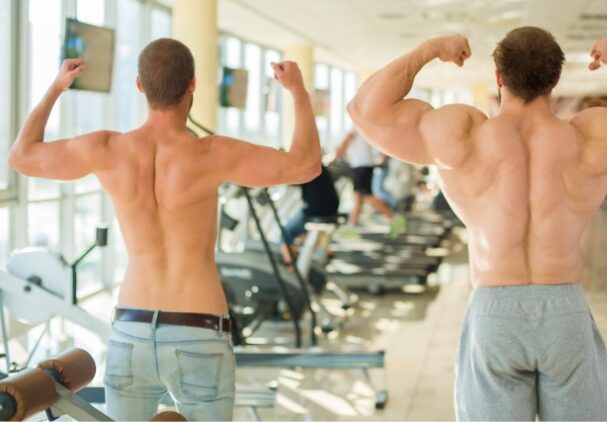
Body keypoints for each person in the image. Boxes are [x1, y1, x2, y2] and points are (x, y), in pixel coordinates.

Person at [348, 28, 607, 421]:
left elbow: (365, 110)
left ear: (499, 77)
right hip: (564, 314)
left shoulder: (461, 135)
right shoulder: (592, 137)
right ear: (555, 79)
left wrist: (428, 50)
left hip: (493, 312)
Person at [9, 38, 321, 421]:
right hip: (199, 331)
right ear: (192, 84)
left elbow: (21, 156)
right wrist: (297, 91)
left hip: (131, 330)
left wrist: (57, 87)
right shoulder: (211, 153)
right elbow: (306, 165)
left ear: (140, 86)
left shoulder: (108, 148)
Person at [279, 164, 339, 265]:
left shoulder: (304, 167)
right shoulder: (317, 165)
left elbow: (288, 179)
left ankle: (289, 264)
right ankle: (323, 249)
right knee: (299, 231)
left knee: (286, 232)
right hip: (331, 208)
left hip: (317, 210)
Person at [334, 130, 395, 226]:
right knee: (358, 196)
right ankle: (352, 225)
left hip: (362, 165)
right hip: (361, 165)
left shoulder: (353, 124)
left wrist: (335, 157)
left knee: (367, 195)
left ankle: (394, 218)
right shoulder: (358, 123)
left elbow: (345, 142)